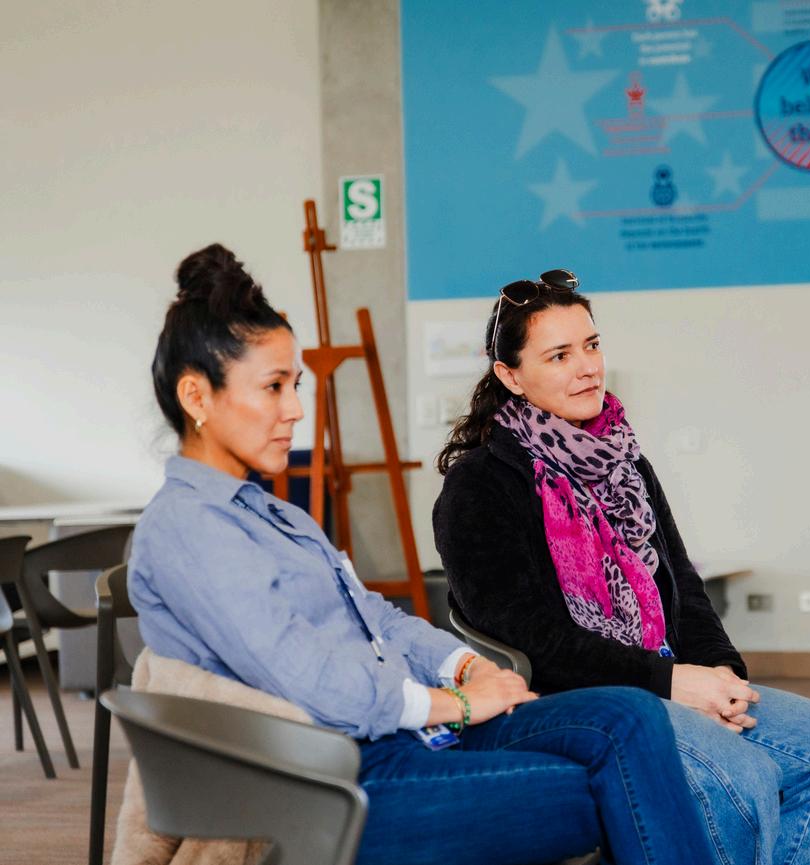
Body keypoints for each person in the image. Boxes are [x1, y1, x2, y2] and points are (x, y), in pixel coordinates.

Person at [129, 244, 720, 865]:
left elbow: (378, 620)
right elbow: (308, 677)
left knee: (629, 716)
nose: (296, 410)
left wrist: (465, 667)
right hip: (336, 776)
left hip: (410, 735)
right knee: (609, 790)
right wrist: (456, 704)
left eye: (294, 385)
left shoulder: (275, 516)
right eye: (274, 387)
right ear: (196, 397)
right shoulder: (186, 527)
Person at [433, 271, 810, 865]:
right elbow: (533, 638)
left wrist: (719, 675)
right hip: (576, 700)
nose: (587, 367)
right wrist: (672, 684)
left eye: (592, 345)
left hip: (667, 676)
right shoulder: (479, 485)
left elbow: (684, 587)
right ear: (510, 375)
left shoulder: (626, 462)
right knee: (743, 778)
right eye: (559, 355)